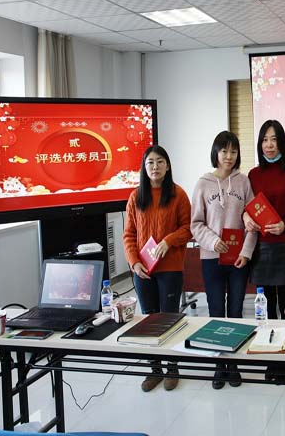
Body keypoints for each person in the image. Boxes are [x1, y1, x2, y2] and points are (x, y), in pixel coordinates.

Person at [191, 130, 256, 390]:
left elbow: (253, 221)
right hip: (211, 258)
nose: (229, 156)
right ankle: (220, 365)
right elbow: (196, 224)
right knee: (216, 310)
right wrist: (211, 241)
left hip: (238, 258)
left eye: (233, 151)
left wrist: (246, 252)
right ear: (216, 153)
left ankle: (234, 363)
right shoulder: (203, 183)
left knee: (236, 311)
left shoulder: (244, 182)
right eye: (224, 151)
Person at [123, 145, 192, 393]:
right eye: (150, 162)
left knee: (169, 319)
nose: (155, 167)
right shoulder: (135, 197)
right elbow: (129, 235)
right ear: (144, 167)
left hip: (170, 268)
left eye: (160, 161)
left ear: (168, 166)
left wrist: (168, 241)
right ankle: (154, 369)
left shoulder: (178, 194)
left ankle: (172, 367)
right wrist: (134, 262)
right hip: (143, 270)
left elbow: (188, 229)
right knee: (148, 320)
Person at [244, 120, 285, 381]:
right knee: (266, 306)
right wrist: (246, 217)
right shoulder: (253, 175)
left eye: (274, 139)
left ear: (282, 143)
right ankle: (271, 354)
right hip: (262, 248)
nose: (269, 145)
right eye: (265, 139)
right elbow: (247, 207)